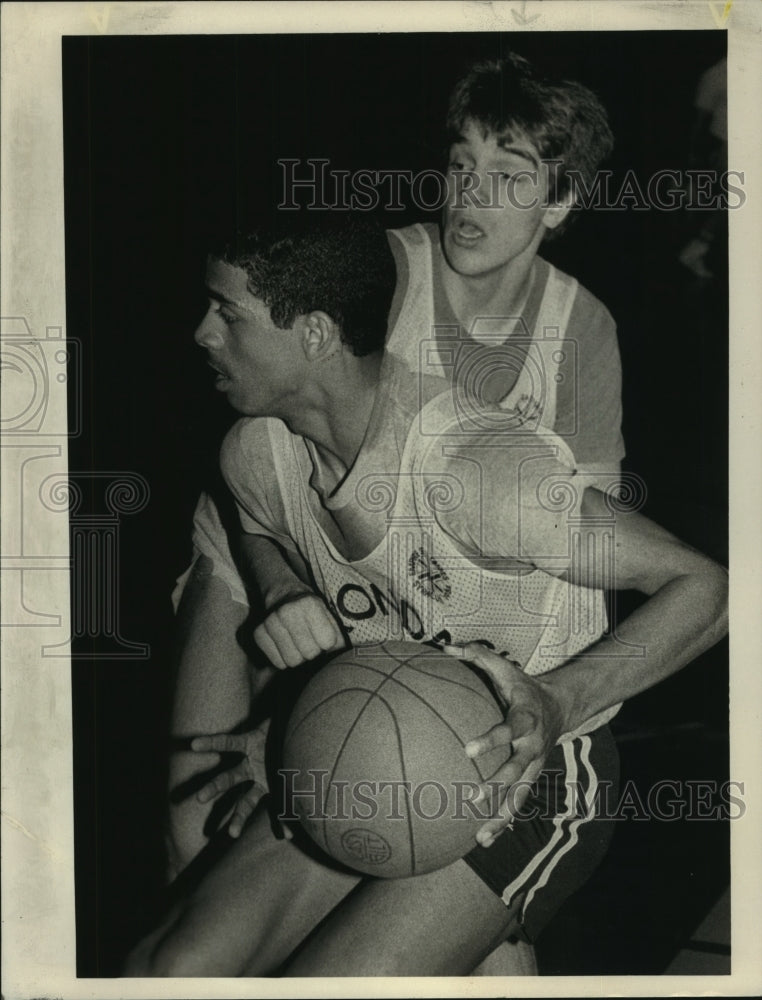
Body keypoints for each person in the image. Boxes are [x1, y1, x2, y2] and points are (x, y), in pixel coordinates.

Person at [126, 214, 727, 977]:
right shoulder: (256, 449)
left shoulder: (479, 470)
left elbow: (704, 584)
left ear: (313, 333)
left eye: (227, 313)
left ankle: (487, 935)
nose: (202, 332)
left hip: (532, 770)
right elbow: (254, 521)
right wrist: (282, 613)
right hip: (381, 736)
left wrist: (559, 701)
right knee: (169, 970)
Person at [166, 55, 624, 900]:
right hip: (263, 535)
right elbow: (249, 432)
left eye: (508, 176)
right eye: (461, 165)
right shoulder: (381, 267)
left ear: (559, 204)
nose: (470, 195)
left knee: (363, 805)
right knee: (197, 825)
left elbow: (576, 568)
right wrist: (272, 591)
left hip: (403, 597)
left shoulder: (582, 333)